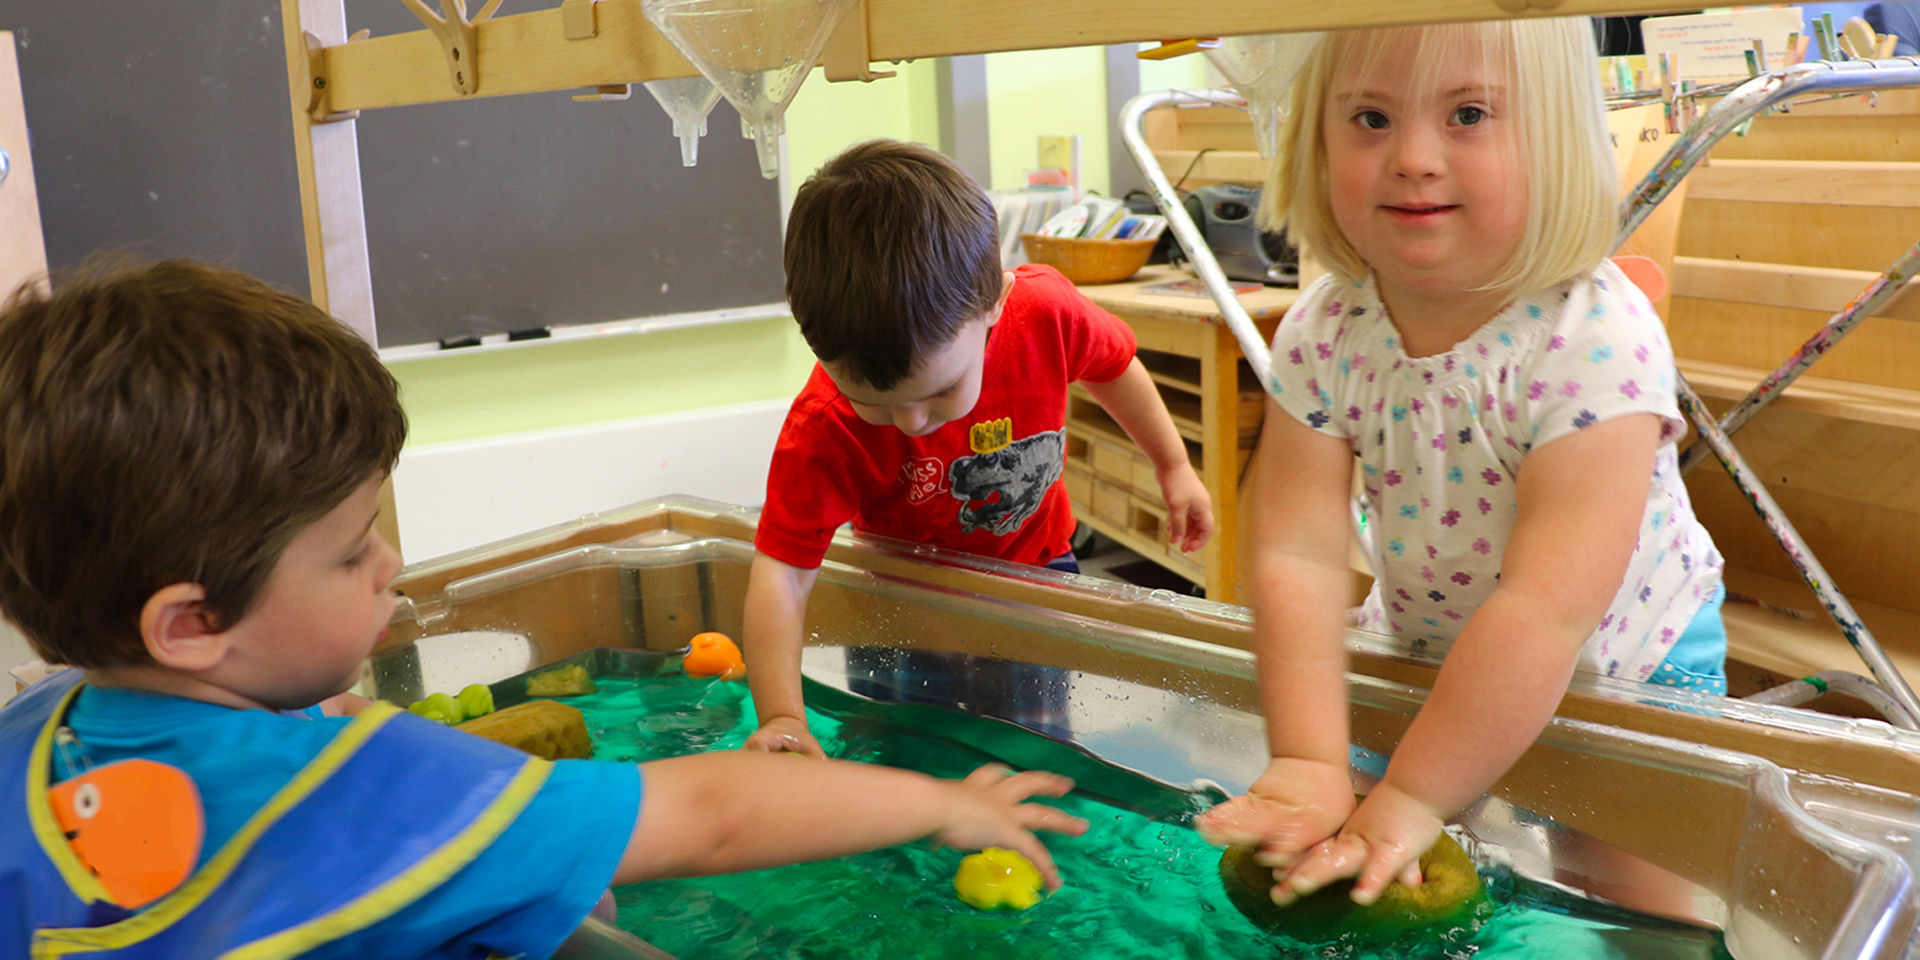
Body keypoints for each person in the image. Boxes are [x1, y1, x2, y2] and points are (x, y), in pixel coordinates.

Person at [0, 258, 1087, 958]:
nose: (389, 566)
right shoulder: (365, 787)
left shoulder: (25, 742)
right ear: (190, 625)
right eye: (349, 552)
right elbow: (713, 814)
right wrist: (944, 807)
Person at [1194, 19, 1726, 910]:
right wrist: (1306, 759)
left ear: (1553, 138)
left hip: (1628, 661)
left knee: (1640, 906)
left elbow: (1546, 613)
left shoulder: (1594, 336)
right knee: (1375, 872)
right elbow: (1298, 552)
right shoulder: (1328, 329)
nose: (1412, 157)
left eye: (1469, 113)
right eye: (1369, 119)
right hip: (1430, 640)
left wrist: (1412, 796)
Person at [744, 140, 1215, 756]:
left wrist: (1173, 465)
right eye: (875, 404)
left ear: (994, 303)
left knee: (1034, 744)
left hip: (1033, 573)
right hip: (901, 601)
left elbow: (1114, 365)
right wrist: (782, 715)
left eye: (940, 391)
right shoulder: (824, 427)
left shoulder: (1044, 312)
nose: (910, 423)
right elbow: (781, 575)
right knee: (902, 752)